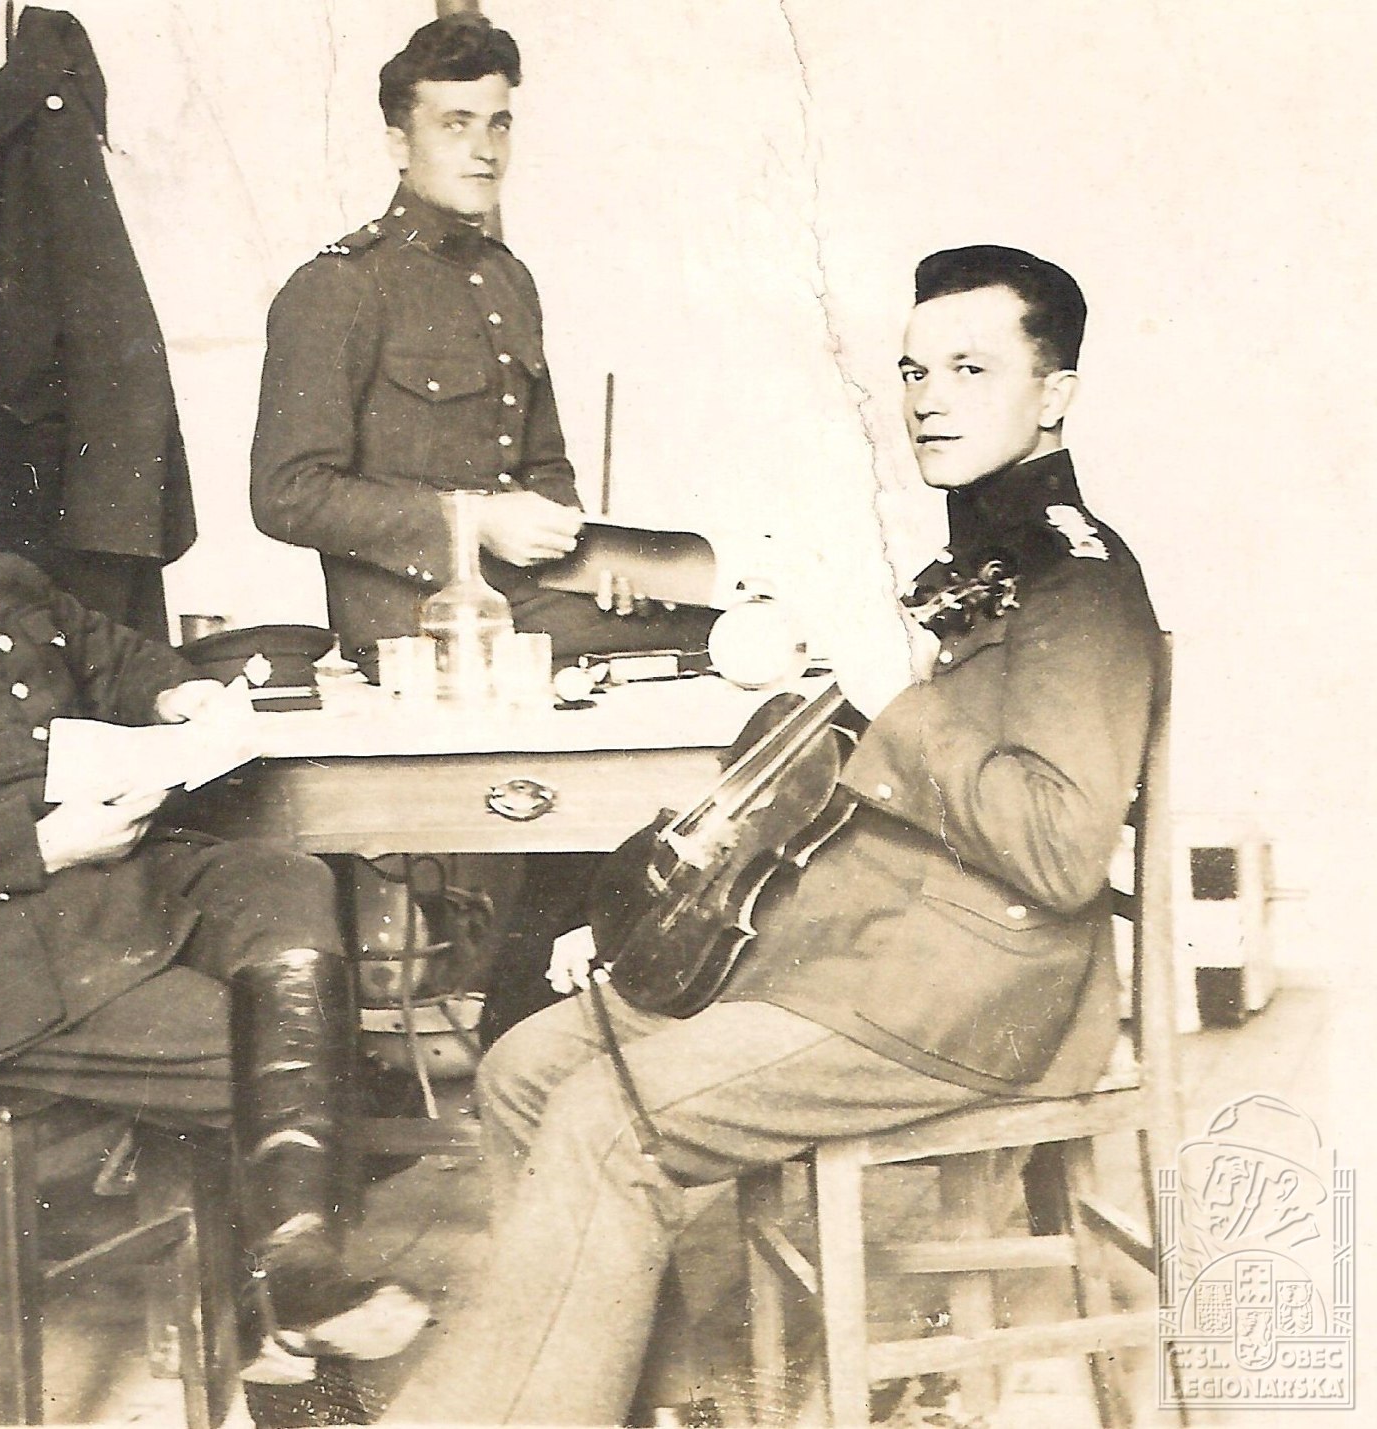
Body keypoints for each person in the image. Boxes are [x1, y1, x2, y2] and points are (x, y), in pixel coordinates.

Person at [379, 246, 1163, 1424]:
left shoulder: (1075, 582)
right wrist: (668, 904)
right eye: (913, 371)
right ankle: (661, 1402)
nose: (927, 398)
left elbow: (1055, 849)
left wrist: (893, 694)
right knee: (524, 1071)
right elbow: (853, 782)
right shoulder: (975, 562)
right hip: (861, 953)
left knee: (607, 1120)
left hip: (969, 992)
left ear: (1054, 394)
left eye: (969, 368)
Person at [0, 308, 428, 1387]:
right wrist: (41, 844)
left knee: (284, 879)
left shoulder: (2, 575)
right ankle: (275, 1330)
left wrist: (178, 692)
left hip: (108, 905)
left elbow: (114, 656)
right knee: (262, 1050)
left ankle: (288, 1278)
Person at [249, 13, 717, 1043]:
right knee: (713, 662)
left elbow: (544, 470)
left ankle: (541, 1009)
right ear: (397, 140)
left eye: (498, 123)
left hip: (533, 608)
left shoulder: (507, 279)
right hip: (411, 628)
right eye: (454, 123)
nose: (483, 148)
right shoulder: (336, 289)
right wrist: (473, 522)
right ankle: (536, 1016)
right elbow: (285, 493)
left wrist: (590, 557)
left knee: (712, 641)